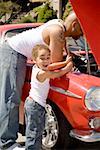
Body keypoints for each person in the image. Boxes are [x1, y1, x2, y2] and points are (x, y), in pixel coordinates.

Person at [0, 11, 83, 149]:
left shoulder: (58, 25)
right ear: (74, 25)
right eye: (81, 30)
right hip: (12, 52)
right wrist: (67, 66)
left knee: (11, 98)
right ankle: (7, 145)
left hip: (16, 53)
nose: (82, 35)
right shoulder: (58, 32)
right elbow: (53, 63)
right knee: (10, 98)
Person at [24, 44, 72, 150]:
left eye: (48, 57)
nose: (46, 61)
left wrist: (65, 62)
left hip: (34, 103)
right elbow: (57, 73)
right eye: (42, 58)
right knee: (34, 133)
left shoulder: (36, 67)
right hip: (35, 105)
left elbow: (52, 66)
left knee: (37, 130)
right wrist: (67, 68)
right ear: (34, 60)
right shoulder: (42, 73)